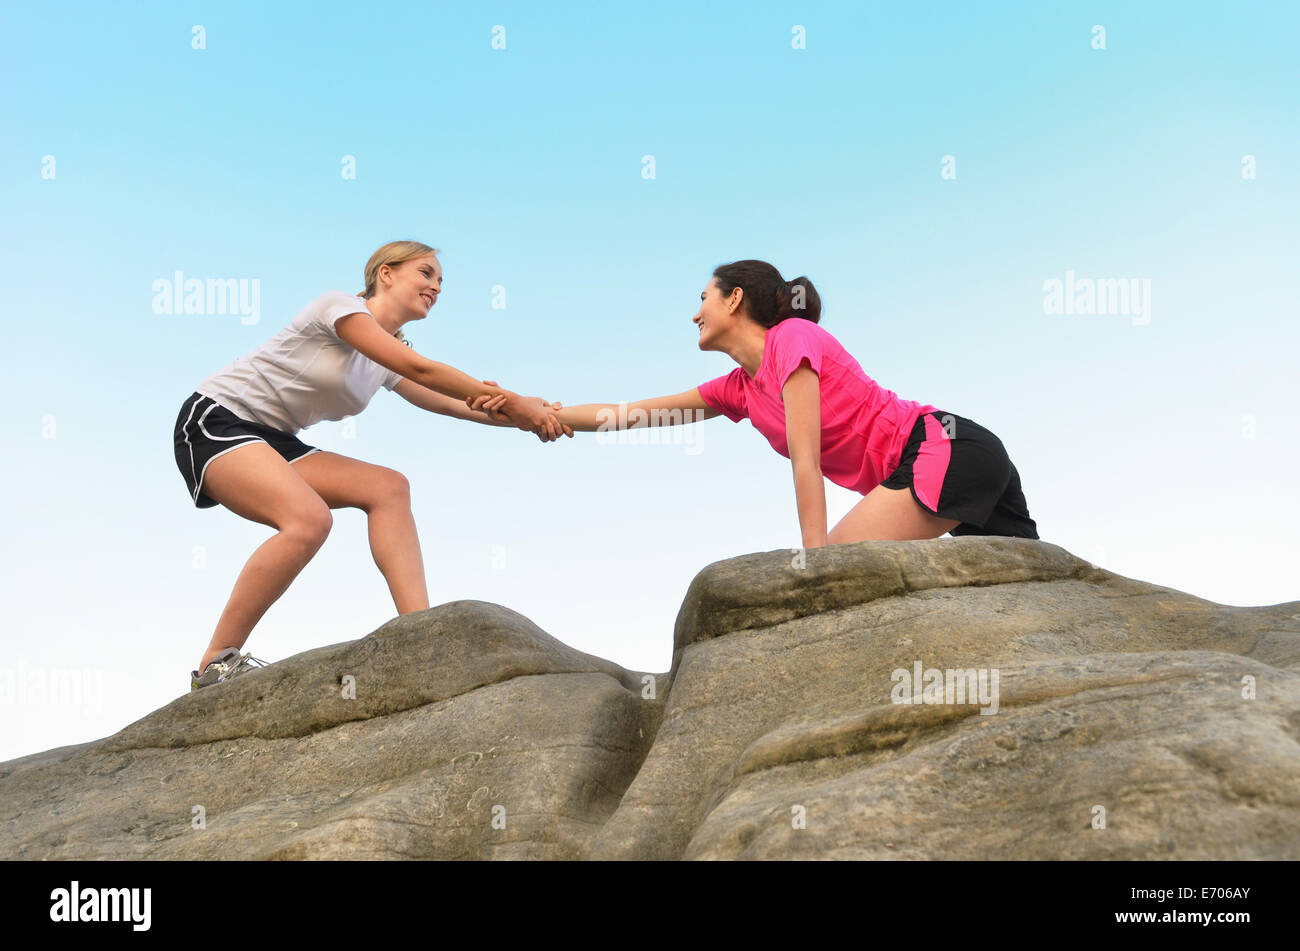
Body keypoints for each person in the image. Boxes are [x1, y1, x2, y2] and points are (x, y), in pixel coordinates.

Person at [173, 240, 570, 691]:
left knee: (388, 487)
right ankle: (215, 664)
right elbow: (421, 371)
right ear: (386, 273)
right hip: (216, 420)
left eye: (440, 281)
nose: (435, 286)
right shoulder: (338, 308)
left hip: (276, 442)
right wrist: (518, 404)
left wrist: (526, 416)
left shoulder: (388, 355)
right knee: (308, 520)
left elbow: (454, 402)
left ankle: (420, 632)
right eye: (426, 273)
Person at [473, 258, 1038, 548]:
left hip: (944, 446)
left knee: (842, 565)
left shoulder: (792, 338)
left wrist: (812, 554)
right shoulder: (737, 389)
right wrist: (536, 411)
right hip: (931, 463)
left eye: (703, 298)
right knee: (1034, 590)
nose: (695, 313)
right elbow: (633, 414)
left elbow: (806, 457)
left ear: (734, 298)